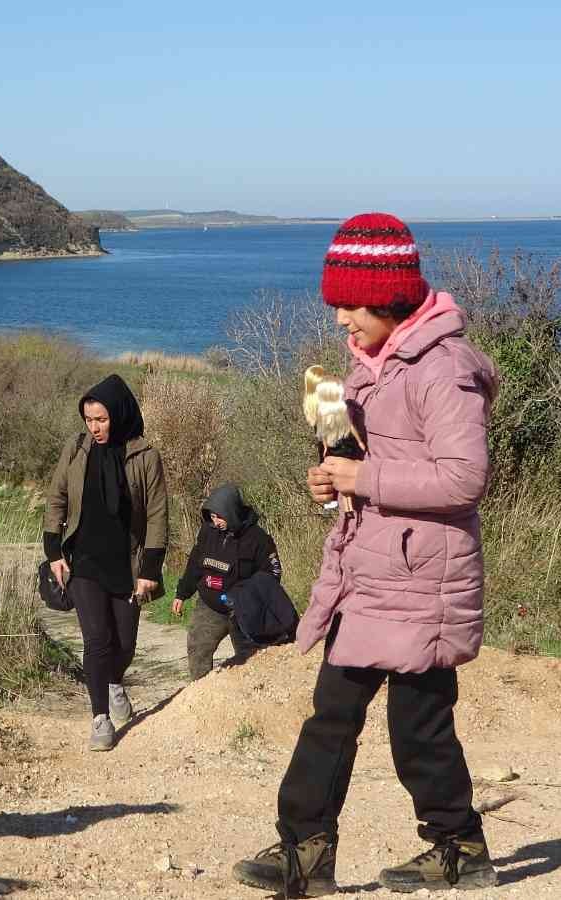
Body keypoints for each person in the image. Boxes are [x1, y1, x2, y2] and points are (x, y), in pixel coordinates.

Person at [232, 213, 502, 895]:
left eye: (351, 305)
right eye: (337, 306)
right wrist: (333, 479)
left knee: (420, 728)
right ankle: (305, 852)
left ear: (390, 296)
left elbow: (465, 477)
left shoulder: (444, 369)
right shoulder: (367, 369)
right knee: (331, 715)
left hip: (426, 581)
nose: (342, 320)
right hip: (370, 570)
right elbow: (366, 465)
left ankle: (459, 846)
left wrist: (366, 479)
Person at [43, 374, 168, 751]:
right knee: (96, 639)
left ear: (119, 414)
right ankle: (100, 718)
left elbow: (158, 516)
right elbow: (56, 499)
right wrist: (53, 553)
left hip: (127, 564)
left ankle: (114, 682)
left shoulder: (144, 455)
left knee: (124, 643)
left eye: (101, 419)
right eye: (88, 419)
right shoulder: (77, 448)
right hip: (85, 560)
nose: (94, 427)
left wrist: (149, 570)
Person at [172, 483, 282, 679]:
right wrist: (182, 594)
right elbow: (195, 565)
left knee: (250, 659)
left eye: (220, 516)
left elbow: (273, 573)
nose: (216, 521)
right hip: (210, 605)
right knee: (197, 648)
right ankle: (202, 693)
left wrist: (249, 597)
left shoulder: (258, 539)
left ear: (232, 511)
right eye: (212, 516)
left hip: (243, 610)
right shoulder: (207, 532)